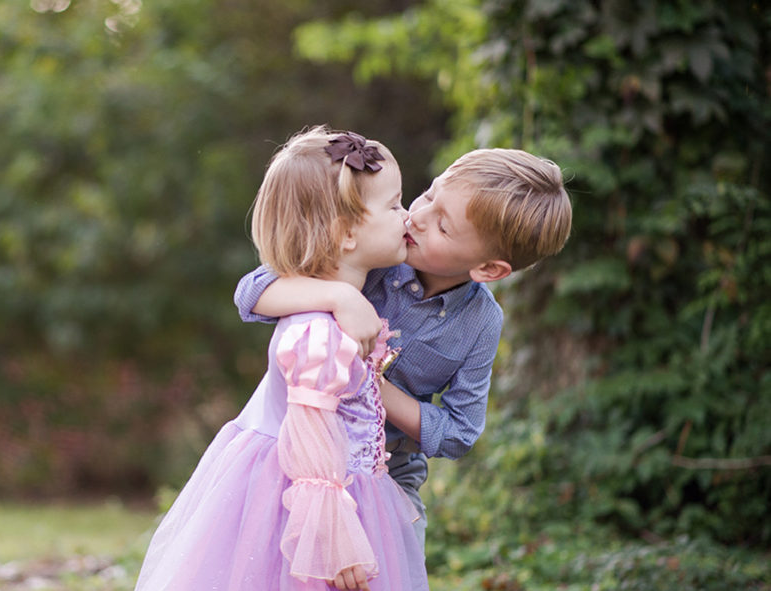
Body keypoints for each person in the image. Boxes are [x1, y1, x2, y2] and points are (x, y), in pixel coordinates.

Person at [135, 126, 429, 591]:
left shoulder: (334, 309)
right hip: (311, 503)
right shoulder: (320, 331)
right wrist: (333, 537)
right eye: (394, 206)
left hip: (342, 490)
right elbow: (312, 435)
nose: (407, 216)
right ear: (346, 233)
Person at [234, 147, 573, 549]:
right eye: (429, 195)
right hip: (302, 447)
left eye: (443, 227)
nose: (418, 217)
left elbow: (459, 432)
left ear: (487, 269)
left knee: (385, 567)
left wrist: (370, 385)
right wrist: (342, 298)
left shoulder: (481, 323)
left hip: (388, 470)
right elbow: (251, 292)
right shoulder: (377, 253)